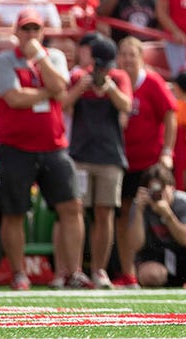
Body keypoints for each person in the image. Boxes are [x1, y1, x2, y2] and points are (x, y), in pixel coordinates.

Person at [0, 8, 77, 290]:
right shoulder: (6, 59)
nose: (30, 35)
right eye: (25, 29)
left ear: (43, 33)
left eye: (35, 29)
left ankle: (72, 272)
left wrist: (39, 57)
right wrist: (48, 94)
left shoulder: (53, 57)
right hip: (16, 145)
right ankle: (19, 273)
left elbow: (60, 85)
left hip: (53, 145)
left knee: (70, 206)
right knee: (14, 210)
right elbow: (14, 98)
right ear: (16, 33)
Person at [63, 36, 133, 290]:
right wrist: (81, 88)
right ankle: (74, 270)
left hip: (110, 156)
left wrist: (110, 88)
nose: (103, 72)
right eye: (100, 66)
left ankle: (99, 269)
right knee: (75, 212)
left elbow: (126, 104)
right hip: (81, 155)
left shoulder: (120, 78)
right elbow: (63, 104)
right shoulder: (79, 77)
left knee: (105, 213)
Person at [114, 36, 177, 289]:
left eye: (132, 54)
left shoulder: (151, 81)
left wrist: (167, 151)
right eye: (124, 54)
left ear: (141, 58)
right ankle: (128, 271)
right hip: (122, 160)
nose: (127, 59)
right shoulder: (116, 81)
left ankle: (176, 269)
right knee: (123, 214)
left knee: (160, 209)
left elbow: (171, 115)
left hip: (149, 161)